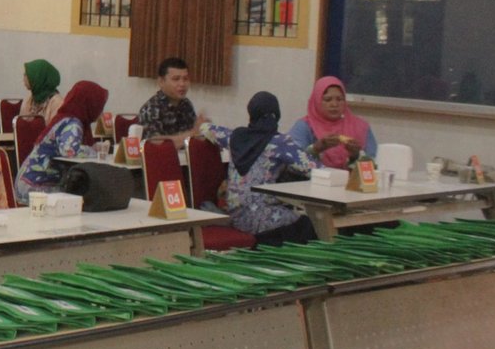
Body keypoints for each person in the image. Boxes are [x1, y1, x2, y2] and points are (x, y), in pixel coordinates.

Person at [200, 92, 319, 246]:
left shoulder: (234, 136)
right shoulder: (280, 143)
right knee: (312, 224)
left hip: (236, 216)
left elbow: (207, 128)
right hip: (263, 218)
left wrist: (201, 124)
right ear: (277, 115)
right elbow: (313, 168)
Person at [16, 80, 108, 200]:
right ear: (90, 104)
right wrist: (94, 151)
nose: (101, 112)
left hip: (28, 182)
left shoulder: (65, 118)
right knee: (83, 197)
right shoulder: (72, 123)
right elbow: (70, 151)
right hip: (35, 187)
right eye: (99, 106)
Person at [288, 76, 377, 168]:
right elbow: (290, 161)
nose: (334, 104)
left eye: (339, 99)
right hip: (314, 177)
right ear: (317, 101)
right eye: (327, 100)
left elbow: (374, 165)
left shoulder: (360, 126)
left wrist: (356, 155)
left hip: (351, 177)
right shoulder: (304, 126)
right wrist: (315, 149)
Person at [137, 57, 205, 145]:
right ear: (161, 82)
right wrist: (193, 133)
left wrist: (204, 131)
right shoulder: (151, 108)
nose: (182, 84)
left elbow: (195, 135)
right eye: (176, 79)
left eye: (185, 79)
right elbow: (155, 143)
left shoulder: (186, 104)